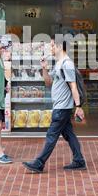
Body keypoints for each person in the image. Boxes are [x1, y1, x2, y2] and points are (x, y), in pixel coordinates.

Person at [22, 38, 86, 173]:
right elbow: (48, 82)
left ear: (58, 47)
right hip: (60, 106)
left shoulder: (66, 64)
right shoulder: (58, 64)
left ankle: (39, 163)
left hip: (62, 108)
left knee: (51, 136)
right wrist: (44, 68)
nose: (50, 49)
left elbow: (73, 86)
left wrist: (78, 106)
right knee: (69, 135)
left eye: (51, 46)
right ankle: (79, 160)